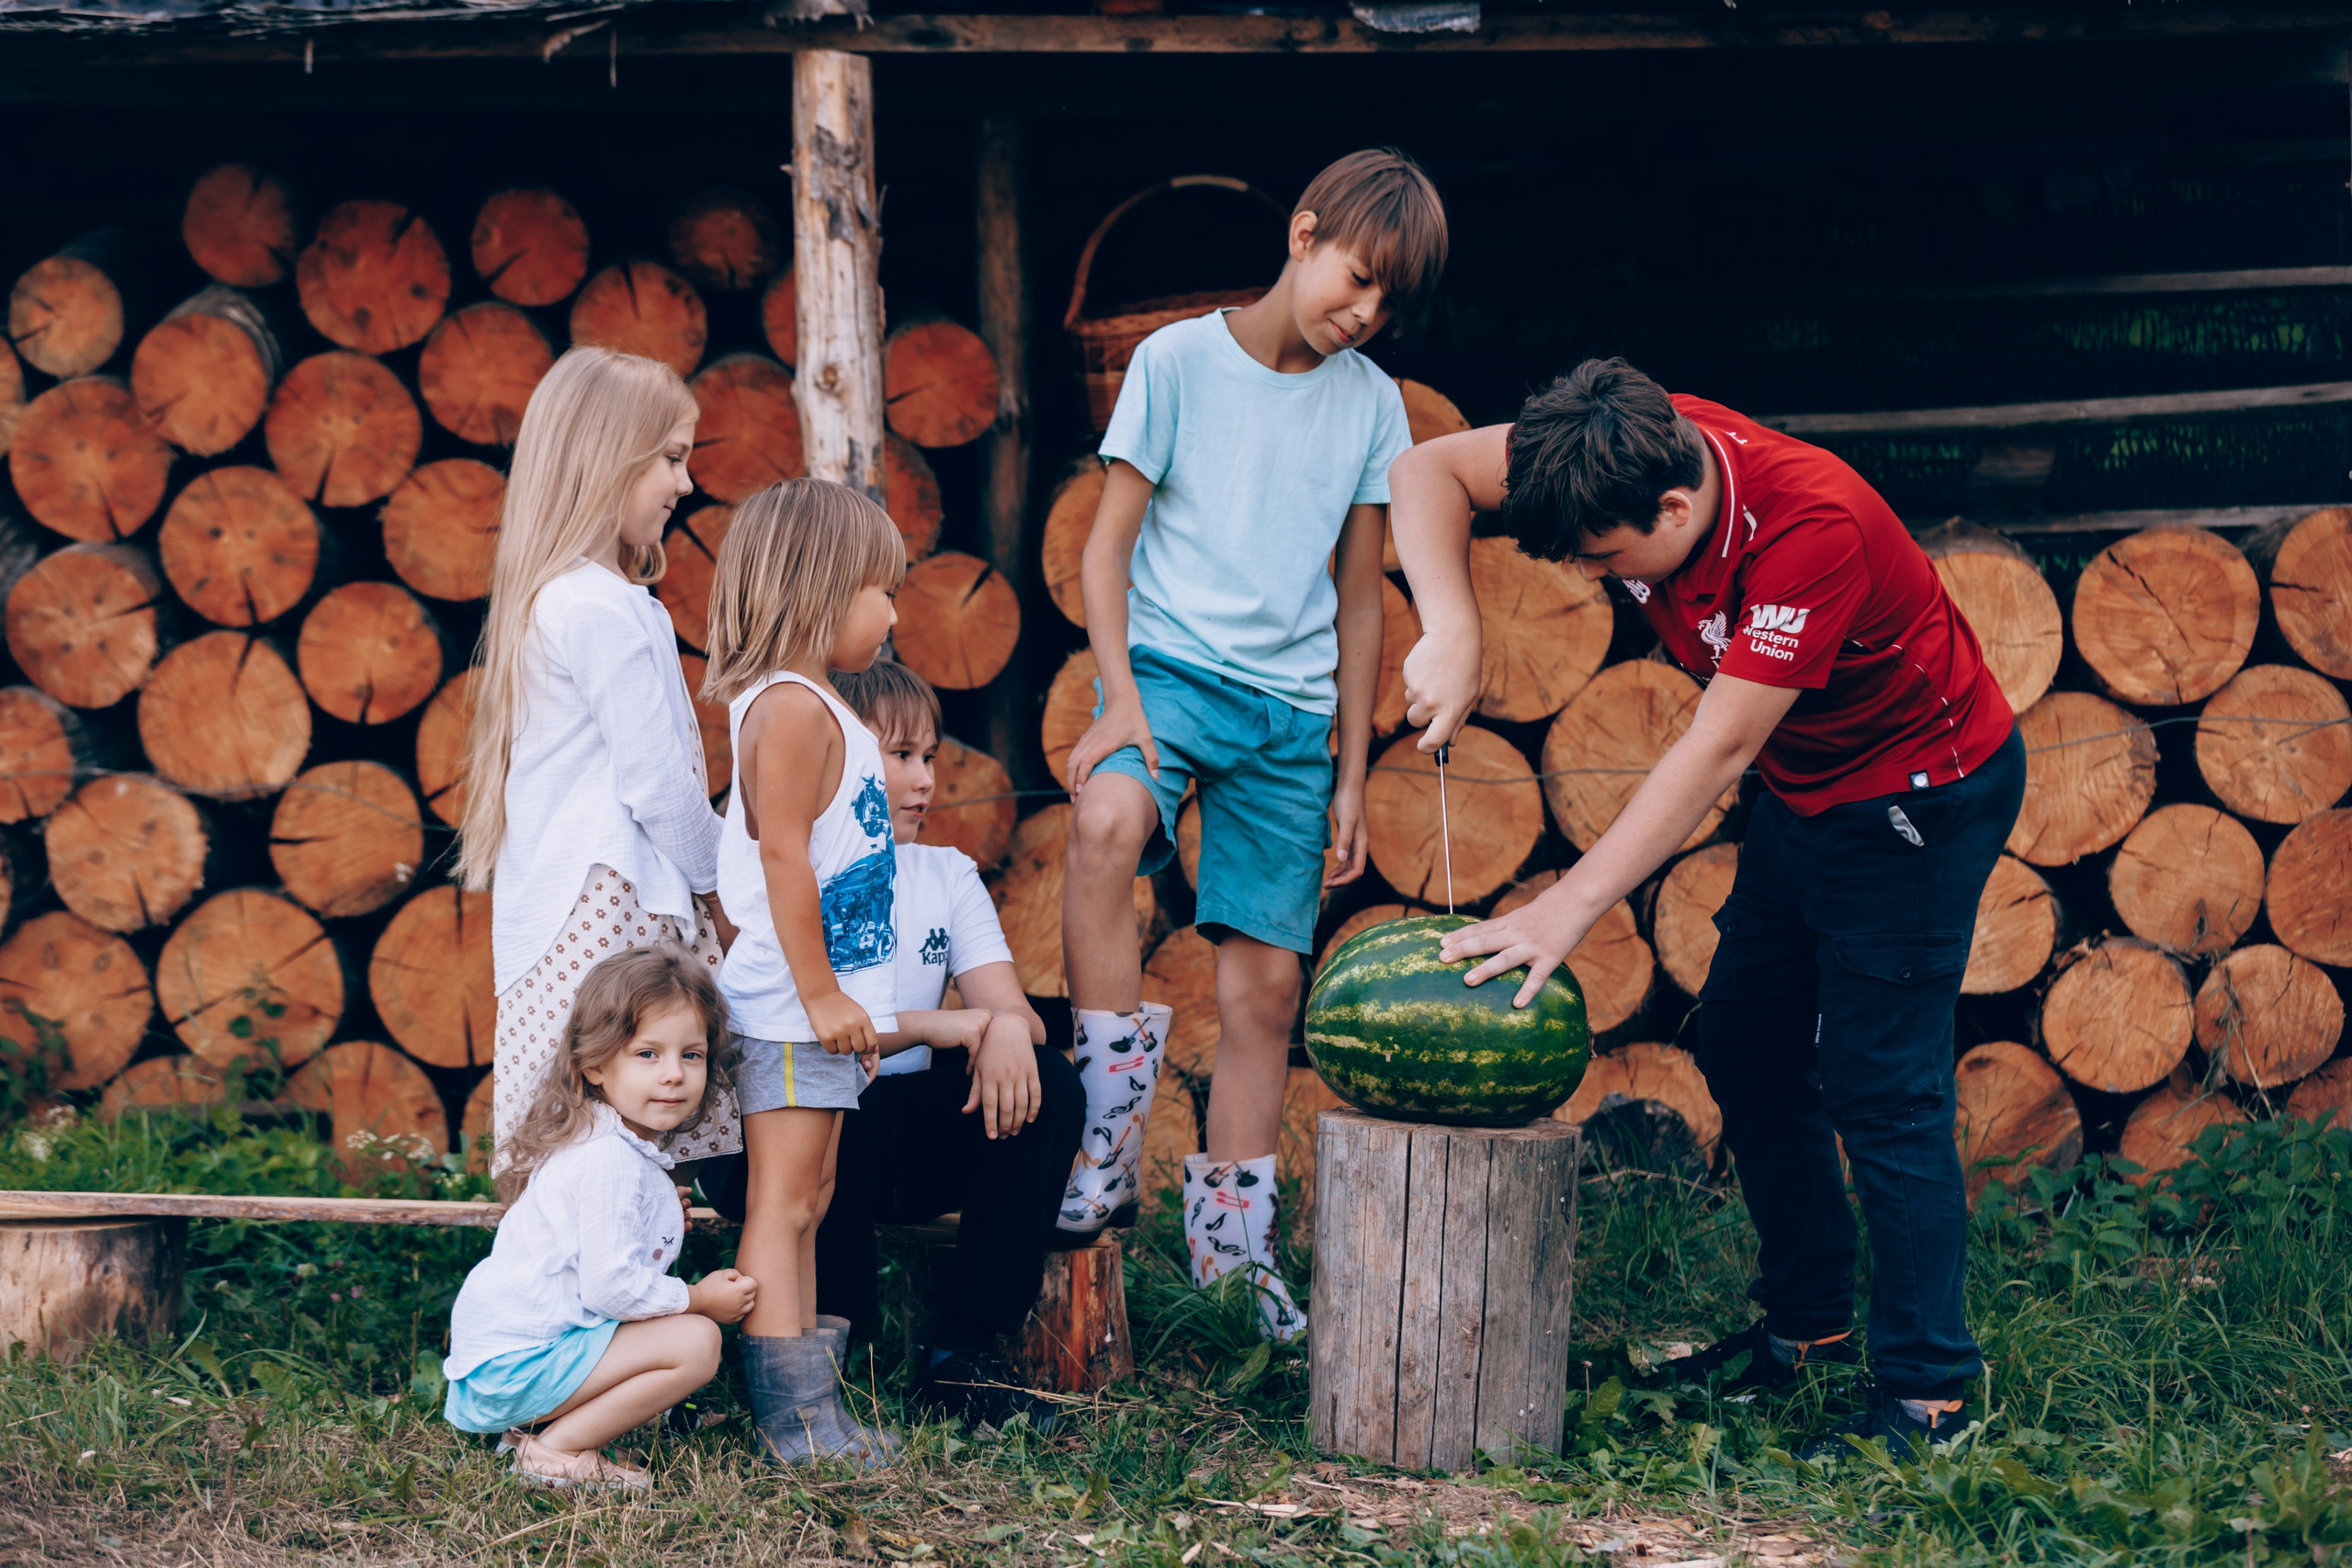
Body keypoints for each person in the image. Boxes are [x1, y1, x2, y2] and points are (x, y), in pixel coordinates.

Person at [1387, 356, 2023, 1456]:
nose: (1600, 578)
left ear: (1676, 508)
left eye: (1606, 559)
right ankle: (1808, 1328)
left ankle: (1931, 1395)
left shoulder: (1807, 527)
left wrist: (1565, 908)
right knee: (1741, 1041)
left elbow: (1718, 746)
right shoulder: (1614, 447)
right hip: (1810, 787)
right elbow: (1425, 467)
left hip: (1915, 797)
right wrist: (1455, 625)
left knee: (1885, 1087)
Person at [1057, 147, 1449, 1341]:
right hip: (1167, 678)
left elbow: (1368, 598)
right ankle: (1106, 1134)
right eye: (1357, 276)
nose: (1365, 312)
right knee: (1105, 820)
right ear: (1304, 229)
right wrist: (1120, 700)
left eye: (1390, 300)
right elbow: (1102, 547)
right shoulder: (1176, 362)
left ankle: (1232, 1254)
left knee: (1268, 986)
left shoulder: (1373, 404)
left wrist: (1350, 770)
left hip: (1288, 717)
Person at [458, 345, 735, 1178]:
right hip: (610, 904)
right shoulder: (597, 606)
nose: (686, 485)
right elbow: (658, 781)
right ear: (607, 456)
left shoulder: (574, 598)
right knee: (608, 1141)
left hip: (569, 904)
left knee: (591, 1145)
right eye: (673, 458)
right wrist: (729, 892)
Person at [810, 660, 1085, 1429]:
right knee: (845, 1094)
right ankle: (841, 1355)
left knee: (1053, 1086)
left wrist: (1000, 1026)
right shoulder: (798, 870)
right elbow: (807, 1033)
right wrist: (938, 1024)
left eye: (928, 756)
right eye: (901, 756)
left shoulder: (946, 873)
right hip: (806, 1138)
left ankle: (960, 1356)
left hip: (905, 1142)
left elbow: (1013, 1013)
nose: (925, 779)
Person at [701, 478, 904, 1467]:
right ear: (824, 589)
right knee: (780, 1201)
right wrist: (824, 996)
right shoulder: (784, 709)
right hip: (786, 1009)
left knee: (811, 1197)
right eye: (883, 591)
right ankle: (793, 1419)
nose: (894, 615)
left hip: (818, 1014)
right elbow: (782, 859)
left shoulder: (822, 704)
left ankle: (811, 1400)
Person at [443, 947, 758, 1491]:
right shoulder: (608, 1158)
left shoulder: (611, 1143)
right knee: (697, 1341)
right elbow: (612, 1289)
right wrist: (699, 1297)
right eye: (647, 1054)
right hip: (512, 1370)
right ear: (594, 1065)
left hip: (508, 1366)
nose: (673, 1075)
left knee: (684, 1334)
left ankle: (538, 1427)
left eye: (692, 1055)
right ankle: (553, 1451)